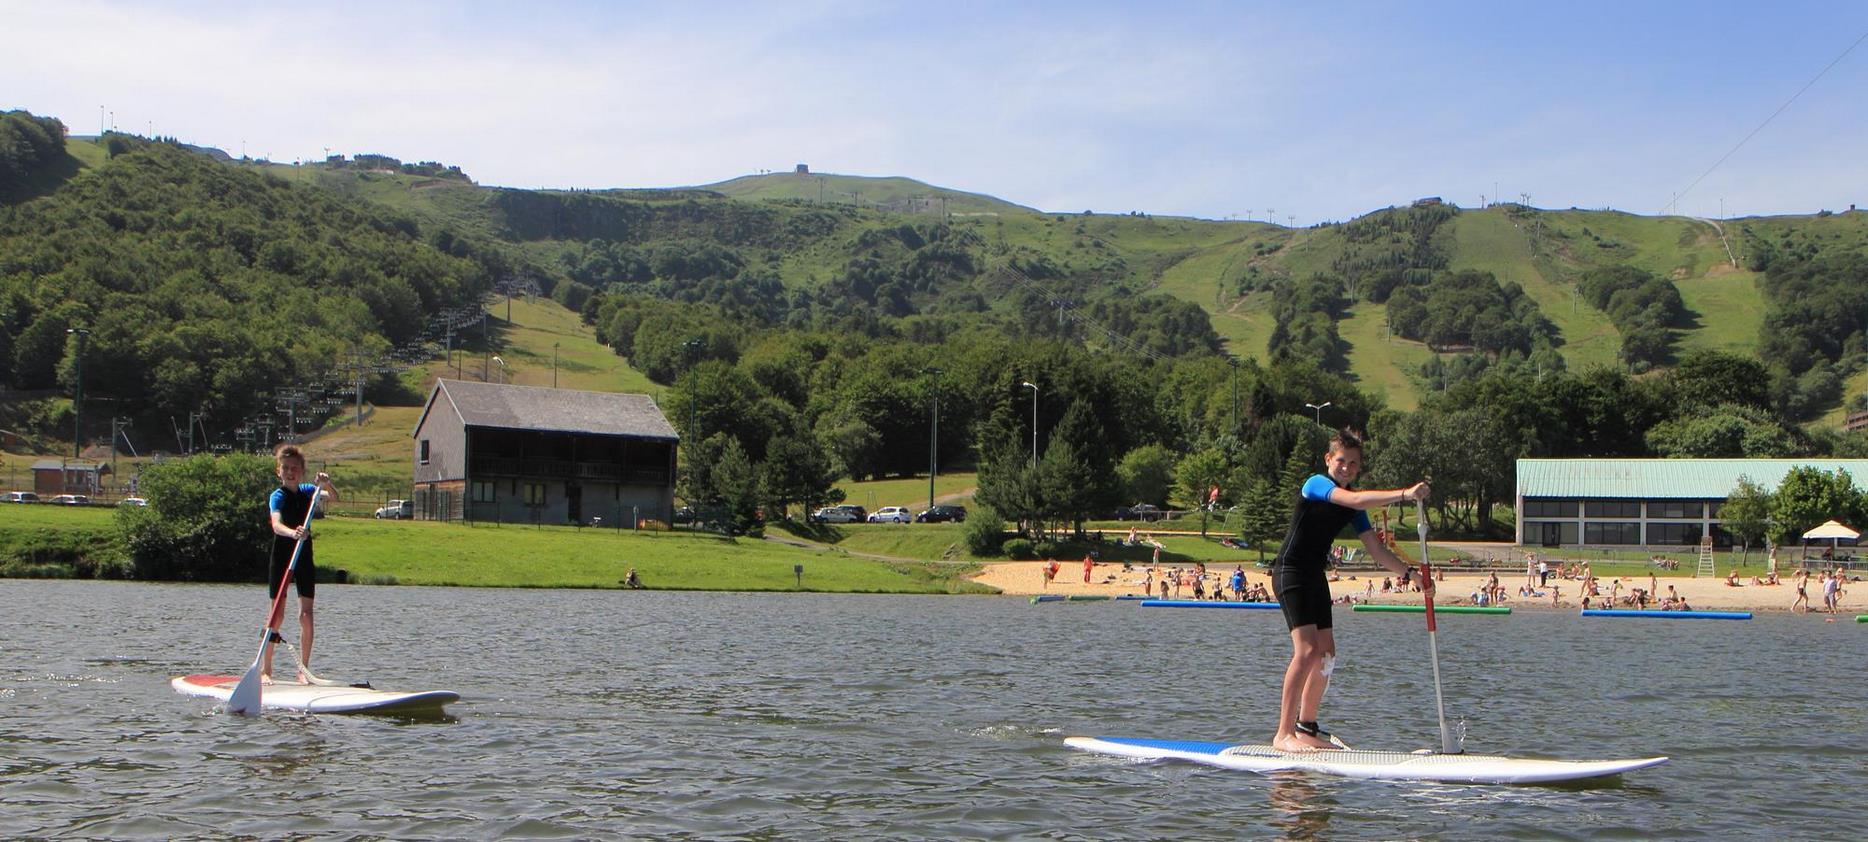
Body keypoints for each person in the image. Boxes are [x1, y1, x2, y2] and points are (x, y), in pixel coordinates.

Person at [1266, 429, 1430, 753]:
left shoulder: (1355, 509)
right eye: (1342, 460)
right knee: (1307, 651)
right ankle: (1283, 734)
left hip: (1314, 576)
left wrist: (1411, 576)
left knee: (1326, 653)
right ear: (1329, 460)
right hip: (1290, 572)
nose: (1347, 467)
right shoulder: (1316, 484)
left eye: (1354, 464)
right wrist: (1405, 494)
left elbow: (1377, 550)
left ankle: (1306, 727)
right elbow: (1353, 498)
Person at [262, 444, 339, 684]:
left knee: (306, 615)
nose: (290, 472)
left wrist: (326, 485)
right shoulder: (278, 496)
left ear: (302, 471)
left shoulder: (309, 491)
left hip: (304, 554)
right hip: (283, 553)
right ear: (279, 471)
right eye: (285, 468)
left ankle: (303, 671)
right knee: (277, 614)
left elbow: (335, 499)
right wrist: (291, 533)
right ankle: (266, 670)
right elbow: (276, 524)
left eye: (295, 468)